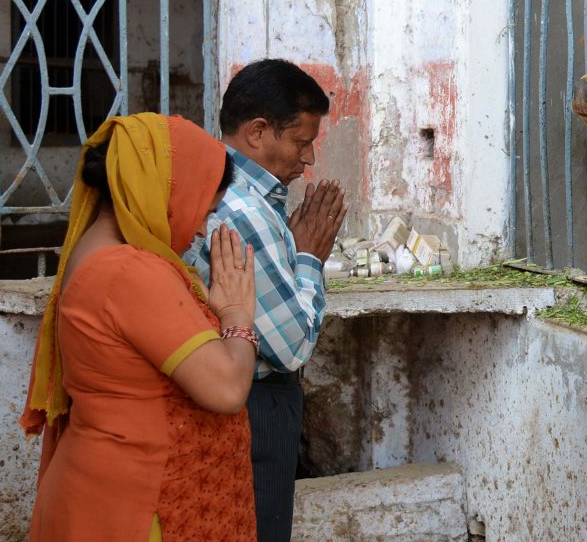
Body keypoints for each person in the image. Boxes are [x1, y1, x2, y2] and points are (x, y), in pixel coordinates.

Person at [21, 112, 259, 540]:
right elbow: (226, 388)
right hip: (133, 506)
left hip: (117, 491)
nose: (204, 228)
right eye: (203, 210)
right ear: (166, 193)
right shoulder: (128, 271)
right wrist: (239, 314)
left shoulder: (108, 253)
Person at [183, 59, 347, 542]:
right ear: (258, 132)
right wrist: (310, 258)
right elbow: (292, 344)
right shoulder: (243, 206)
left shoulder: (231, 193)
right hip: (253, 401)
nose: (309, 159)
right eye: (301, 141)